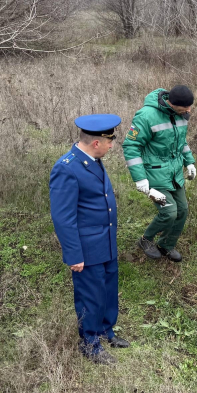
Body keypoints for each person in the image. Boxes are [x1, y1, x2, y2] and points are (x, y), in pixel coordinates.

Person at [49, 114, 129, 365]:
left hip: (105, 242)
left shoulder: (93, 160)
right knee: (90, 296)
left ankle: (106, 330)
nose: (112, 146)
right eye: (109, 142)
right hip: (87, 248)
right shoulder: (66, 168)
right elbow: (63, 218)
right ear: (96, 143)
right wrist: (74, 255)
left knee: (108, 291)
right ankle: (90, 343)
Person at [123, 85, 196, 262]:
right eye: (185, 107)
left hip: (174, 173)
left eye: (190, 106)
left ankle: (166, 245)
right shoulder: (146, 116)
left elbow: (181, 140)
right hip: (154, 172)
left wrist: (189, 161)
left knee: (182, 211)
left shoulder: (181, 115)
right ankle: (145, 240)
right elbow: (131, 147)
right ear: (172, 104)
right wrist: (140, 179)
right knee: (169, 212)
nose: (189, 110)